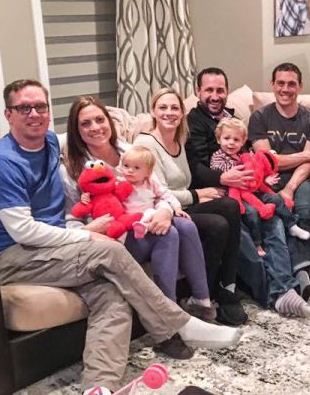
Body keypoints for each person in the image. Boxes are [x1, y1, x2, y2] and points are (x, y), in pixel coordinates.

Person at [0, 79, 241, 395]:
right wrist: (85, 235)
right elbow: (22, 230)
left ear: (48, 111)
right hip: (10, 256)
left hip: (50, 248)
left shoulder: (48, 141)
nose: (34, 114)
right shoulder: (3, 163)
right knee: (110, 251)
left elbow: (86, 134)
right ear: (8, 114)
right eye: (24, 108)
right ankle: (178, 323)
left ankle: (99, 386)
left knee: (111, 294)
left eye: (40, 107)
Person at [62, 96, 216, 358]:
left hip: (143, 219)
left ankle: (202, 304)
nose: (95, 127)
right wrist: (92, 228)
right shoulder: (72, 169)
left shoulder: (129, 151)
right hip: (111, 237)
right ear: (76, 130)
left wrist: (166, 211)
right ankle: (170, 321)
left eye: (100, 119)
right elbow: (71, 220)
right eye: (85, 123)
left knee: (185, 226)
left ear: (109, 121)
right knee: (169, 234)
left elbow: (159, 190)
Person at [185, 67, 310, 316]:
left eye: (220, 90)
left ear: (227, 91)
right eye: (209, 90)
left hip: (247, 188)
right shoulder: (192, 123)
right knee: (242, 233)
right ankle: (275, 294)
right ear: (198, 91)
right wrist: (223, 178)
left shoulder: (232, 118)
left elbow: (251, 157)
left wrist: (260, 176)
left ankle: (286, 288)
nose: (215, 96)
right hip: (220, 193)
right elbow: (195, 168)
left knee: (274, 221)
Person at [132, 87, 248, 326]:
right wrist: (196, 195)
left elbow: (185, 181)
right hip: (160, 210)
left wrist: (198, 194)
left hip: (181, 204)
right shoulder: (146, 144)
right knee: (217, 224)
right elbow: (157, 191)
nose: (169, 112)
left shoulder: (179, 139)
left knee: (230, 206)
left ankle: (227, 285)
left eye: (175, 108)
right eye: (163, 107)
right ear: (153, 111)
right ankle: (205, 293)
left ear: (182, 113)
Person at [248, 62, 310, 288]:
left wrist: (290, 188)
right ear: (272, 85)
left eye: (291, 84)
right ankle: (281, 271)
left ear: (300, 86)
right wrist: (307, 155)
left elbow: (309, 164)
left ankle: (302, 269)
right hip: (268, 178)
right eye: (280, 83)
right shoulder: (260, 117)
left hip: (302, 177)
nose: (285, 89)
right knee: (271, 214)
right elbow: (267, 161)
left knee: (303, 209)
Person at [118, 145, 215, 322]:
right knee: (168, 233)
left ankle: (202, 300)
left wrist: (172, 210)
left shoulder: (138, 162)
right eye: (126, 166)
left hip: (150, 214)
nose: (130, 170)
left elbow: (164, 195)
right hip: (126, 225)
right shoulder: (118, 179)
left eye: (135, 168)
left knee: (187, 226)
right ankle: (170, 309)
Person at [210, 117, 310, 256]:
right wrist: (241, 168)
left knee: (276, 198)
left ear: (243, 142)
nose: (231, 143)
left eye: (236, 140)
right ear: (218, 139)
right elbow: (223, 174)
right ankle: (257, 244)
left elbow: (257, 172)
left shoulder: (245, 155)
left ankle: (291, 224)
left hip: (254, 190)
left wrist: (264, 179)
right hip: (236, 195)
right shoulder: (218, 157)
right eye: (227, 138)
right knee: (252, 213)